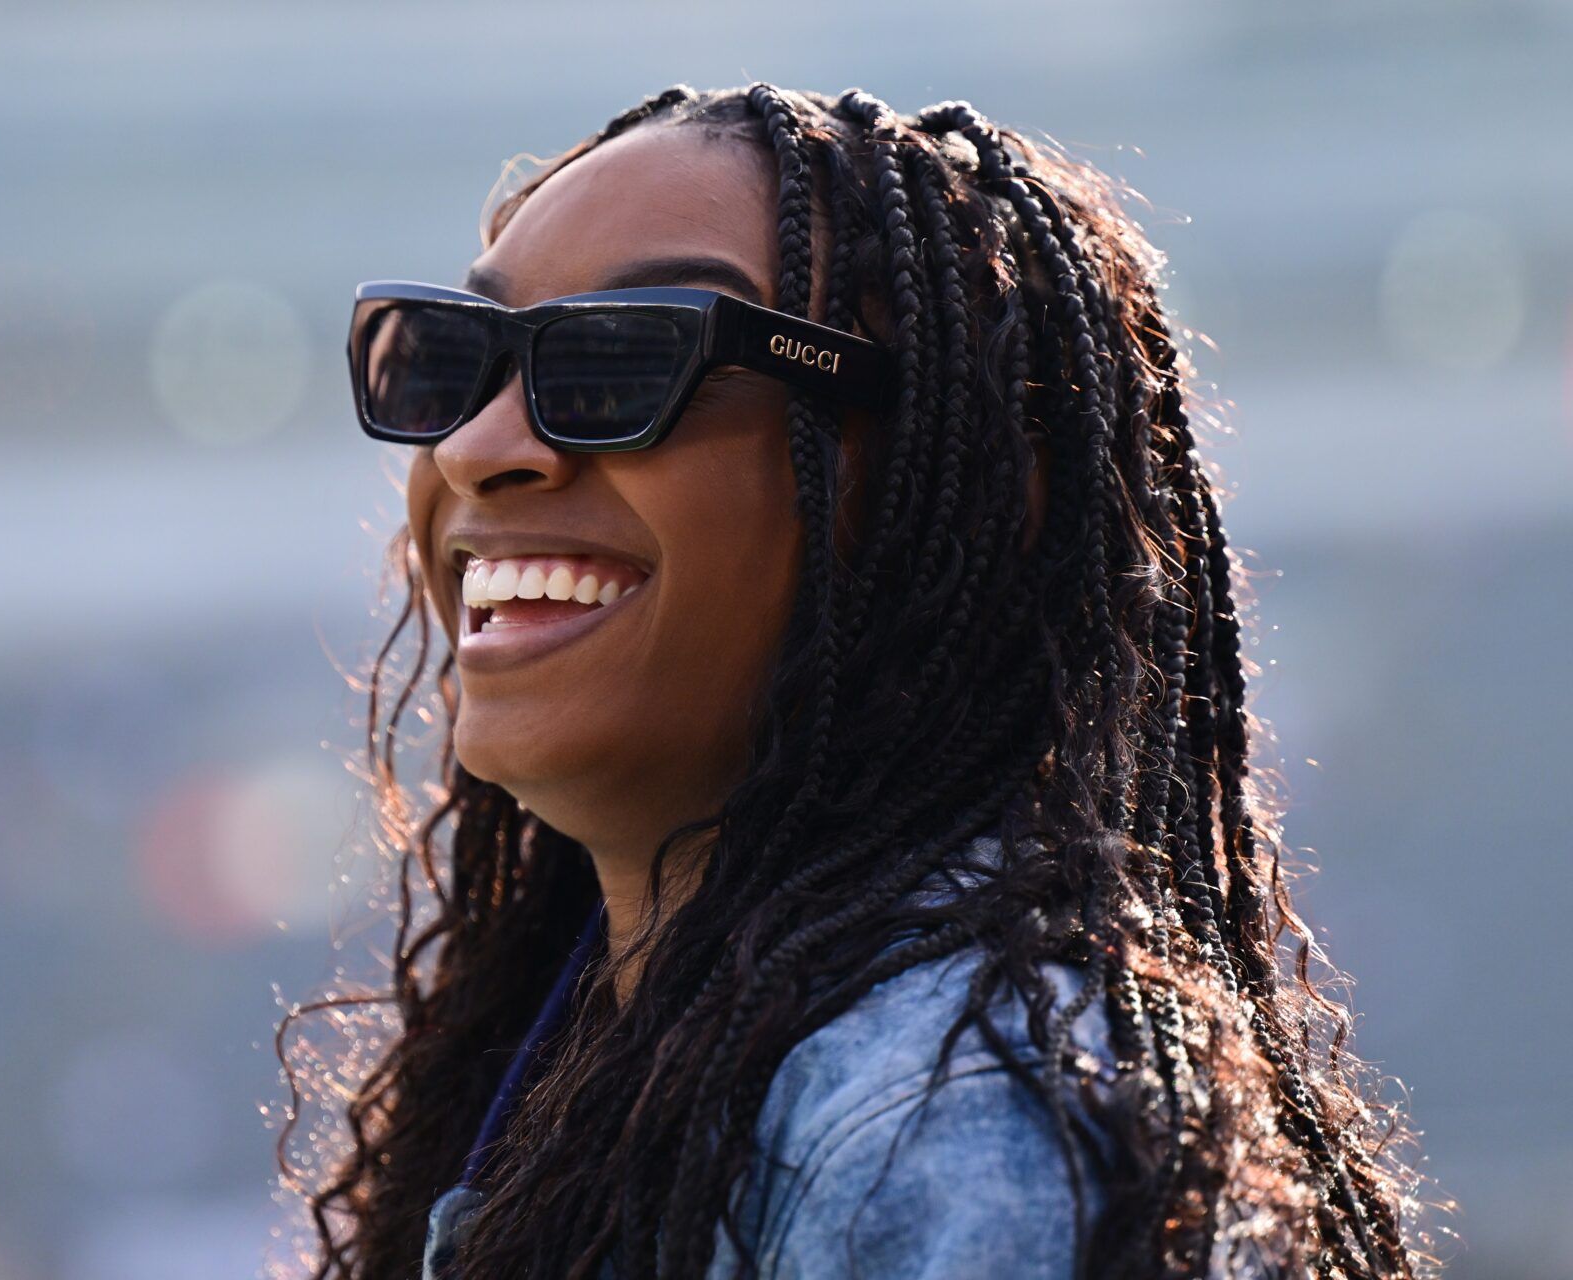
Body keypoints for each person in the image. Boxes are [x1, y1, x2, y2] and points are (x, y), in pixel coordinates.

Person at [281, 82, 1435, 1278]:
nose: (476, 446)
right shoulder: (612, 1052)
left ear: (983, 492)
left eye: (630, 359)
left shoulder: (961, 1117)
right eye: (453, 362)